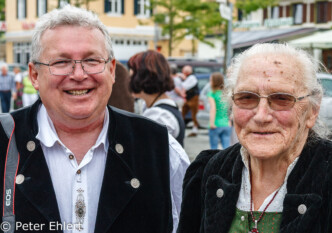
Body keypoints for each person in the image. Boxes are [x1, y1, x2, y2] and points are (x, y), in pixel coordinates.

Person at [0, 6, 187, 233]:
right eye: (61, 62)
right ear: (34, 75)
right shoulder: (4, 139)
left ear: (111, 70)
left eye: (91, 60)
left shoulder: (161, 148)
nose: (79, 74)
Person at [177, 43, 332, 233]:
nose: (261, 116)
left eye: (282, 99)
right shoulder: (211, 172)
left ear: (312, 111)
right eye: (246, 97)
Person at [128, 50, 187, 147]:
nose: (129, 81)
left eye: (131, 76)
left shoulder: (159, 117)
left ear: (143, 78)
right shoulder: (163, 108)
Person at [208, 72, 231, 149]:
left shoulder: (212, 94)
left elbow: (213, 109)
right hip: (226, 124)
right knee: (226, 148)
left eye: (210, 80)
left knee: (213, 148)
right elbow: (229, 108)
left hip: (216, 124)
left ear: (214, 82)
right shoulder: (225, 93)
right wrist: (229, 121)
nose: (209, 82)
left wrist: (211, 123)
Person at [181, 65, 199, 137]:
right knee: (183, 113)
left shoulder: (192, 78)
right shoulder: (189, 77)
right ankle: (182, 127)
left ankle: (194, 130)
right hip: (188, 98)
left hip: (193, 98)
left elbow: (185, 86)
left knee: (194, 115)